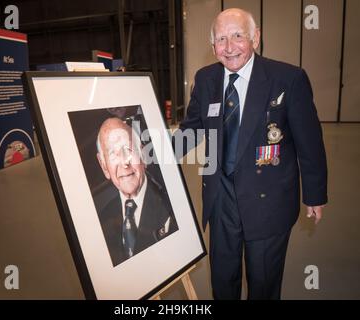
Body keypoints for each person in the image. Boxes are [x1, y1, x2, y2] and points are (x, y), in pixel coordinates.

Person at [173, 8, 327, 299]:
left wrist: (315, 193)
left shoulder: (288, 79)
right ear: (213, 46)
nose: (229, 47)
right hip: (221, 200)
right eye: (221, 39)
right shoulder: (205, 79)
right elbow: (190, 131)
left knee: (263, 283)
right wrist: (151, 158)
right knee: (223, 280)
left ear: (255, 37)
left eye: (237, 36)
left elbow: (310, 141)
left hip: (268, 200)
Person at [96, 117, 178, 267]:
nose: (124, 162)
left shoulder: (173, 205)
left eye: (128, 149)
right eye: (113, 154)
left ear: (143, 155)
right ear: (104, 166)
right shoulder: (101, 221)